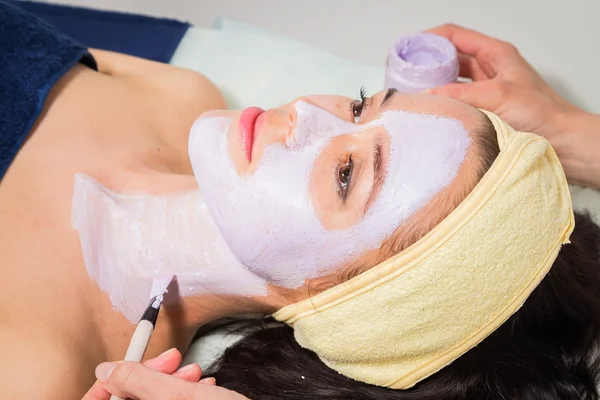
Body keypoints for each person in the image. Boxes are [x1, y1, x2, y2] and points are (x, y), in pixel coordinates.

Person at [83, 25, 600, 400]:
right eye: (359, 106)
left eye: (346, 174)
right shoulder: (175, 91)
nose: (307, 113)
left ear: (343, 305)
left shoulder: (46, 370)